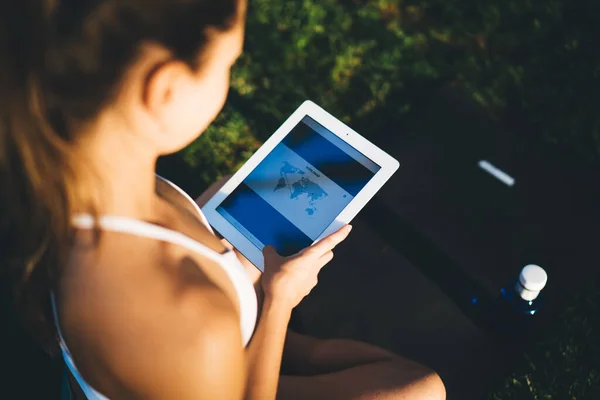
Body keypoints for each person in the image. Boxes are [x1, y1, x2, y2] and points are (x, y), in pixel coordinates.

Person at [0, 0, 446, 399]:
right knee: (423, 390)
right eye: (228, 63)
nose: (230, 78)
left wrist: (214, 235)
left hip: (183, 371)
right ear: (166, 89)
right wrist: (279, 302)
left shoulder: (67, 182)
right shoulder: (192, 326)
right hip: (208, 372)